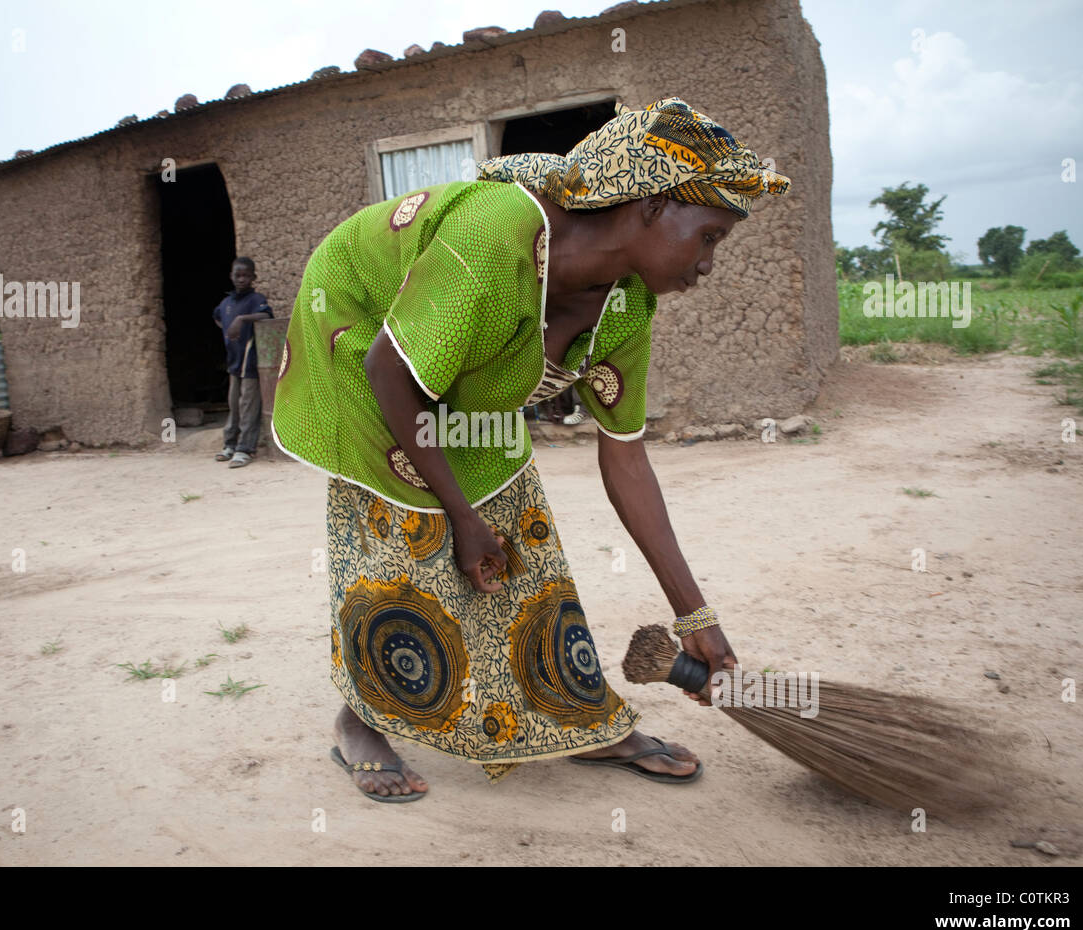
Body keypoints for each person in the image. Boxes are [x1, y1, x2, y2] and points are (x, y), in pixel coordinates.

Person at [271, 97, 789, 801]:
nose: (707, 265)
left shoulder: (628, 306)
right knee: (407, 533)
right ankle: (360, 720)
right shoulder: (498, 235)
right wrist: (460, 516)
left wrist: (694, 617)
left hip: (459, 367)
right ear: (650, 206)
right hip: (361, 333)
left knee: (520, 534)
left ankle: (578, 716)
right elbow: (391, 371)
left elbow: (626, 456)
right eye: (708, 237)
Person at [213, 257, 273, 467]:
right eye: (237, 275)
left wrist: (241, 320)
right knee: (234, 405)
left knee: (248, 406)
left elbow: (266, 316)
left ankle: (245, 449)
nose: (241, 279)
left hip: (250, 364)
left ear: (253, 277)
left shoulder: (255, 300)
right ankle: (229, 444)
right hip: (234, 364)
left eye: (246, 275)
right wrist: (228, 330)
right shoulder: (226, 303)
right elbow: (218, 316)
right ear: (231, 276)